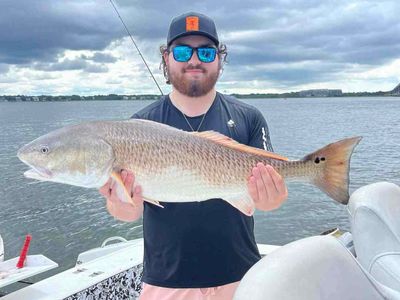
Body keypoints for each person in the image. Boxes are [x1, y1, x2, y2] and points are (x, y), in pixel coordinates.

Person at [100, 12, 288, 300]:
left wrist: (270, 197)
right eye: (183, 51)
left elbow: (271, 200)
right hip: (167, 282)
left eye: (206, 51)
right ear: (166, 57)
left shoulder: (249, 118)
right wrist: (121, 204)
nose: (194, 60)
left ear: (219, 59)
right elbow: (128, 212)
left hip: (242, 275)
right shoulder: (137, 127)